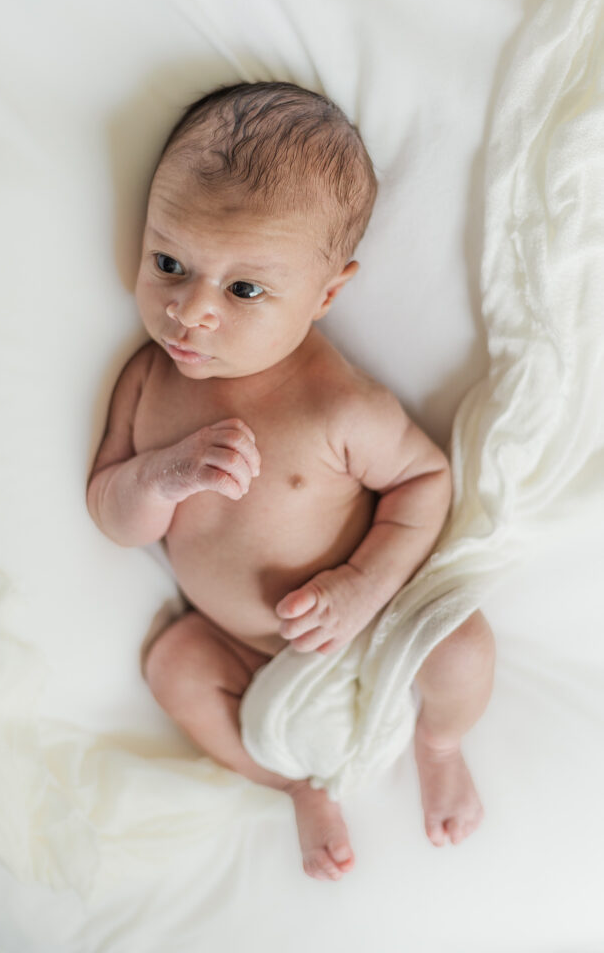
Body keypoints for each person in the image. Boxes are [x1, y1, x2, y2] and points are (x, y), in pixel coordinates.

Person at [86, 81, 496, 882]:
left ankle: (441, 743)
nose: (189, 311)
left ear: (326, 294)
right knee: (172, 665)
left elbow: (423, 480)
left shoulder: (338, 401)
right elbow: (111, 513)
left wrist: (358, 586)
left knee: (459, 645)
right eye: (168, 263)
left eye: (244, 289)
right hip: (242, 647)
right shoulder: (147, 382)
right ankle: (297, 787)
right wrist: (160, 476)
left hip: (371, 624)